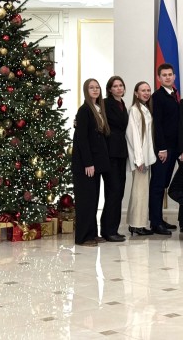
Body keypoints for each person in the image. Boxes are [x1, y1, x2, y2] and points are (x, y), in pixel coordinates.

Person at [71, 78, 110, 247]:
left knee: (93, 199)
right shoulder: (84, 110)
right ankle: (83, 237)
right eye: (91, 88)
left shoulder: (98, 108)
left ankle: (92, 233)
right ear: (86, 91)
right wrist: (88, 163)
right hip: (85, 165)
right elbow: (82, 139)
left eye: (97, 87)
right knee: (85, 201)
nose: (95, 90)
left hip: (96, 163)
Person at [149, 63, 180, 235]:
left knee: (164, 184)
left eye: (170, 74)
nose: (168, 77)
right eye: (164, 75)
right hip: (163, 149)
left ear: (174, 77)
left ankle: (160, 219)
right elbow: (157, 124)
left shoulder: (174, 94)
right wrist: (161, 148)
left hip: (173, 147)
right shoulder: (157, 97)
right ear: (159, 78)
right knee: (158, 185)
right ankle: (155, 222)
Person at [125, 81, 155, 236]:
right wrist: (139, 159)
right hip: (140, 159)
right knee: (140, 192)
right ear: (136, 93)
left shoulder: (144, 109)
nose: (146, 93)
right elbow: (134, 136)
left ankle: (135, 223)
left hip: (145, 157)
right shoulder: (134, 110)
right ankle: (137, 225)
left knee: (141, 191)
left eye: (148, 90)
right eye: (143, 90)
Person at [100, 76, 128, 242]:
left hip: (121, 152)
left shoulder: (122, 104)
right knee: (113, 191)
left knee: (119, 191)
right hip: (110, 152)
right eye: (115, 86)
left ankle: (112, 229)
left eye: (121, 85)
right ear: (110, 89)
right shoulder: (105, 103)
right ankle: (108, 230)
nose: (118, 88)